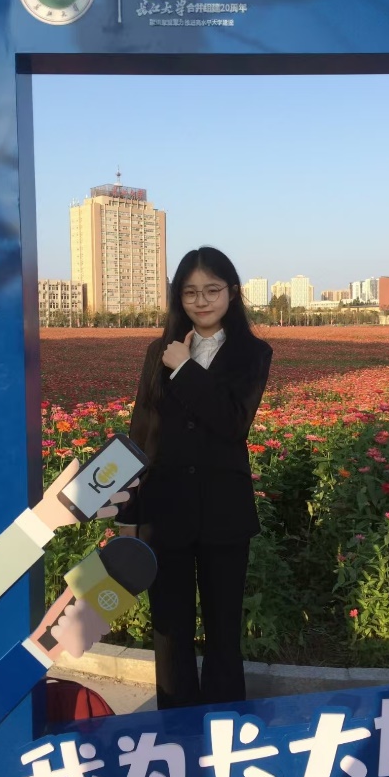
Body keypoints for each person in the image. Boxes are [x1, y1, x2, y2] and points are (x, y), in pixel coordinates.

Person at [116, 246, 273, 709]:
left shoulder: (252, 353)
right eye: (190, 292)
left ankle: (226, 728)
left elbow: (232, 423)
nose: (201, 301)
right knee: (169, 631)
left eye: (211, 290)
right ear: (178, 297)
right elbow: (141, 433)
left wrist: (185, 368)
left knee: (224, 631)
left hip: (224, 513)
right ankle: (175, 730)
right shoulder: (158, 351)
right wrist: (128, 514)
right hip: (163, 512)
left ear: (232, 293)